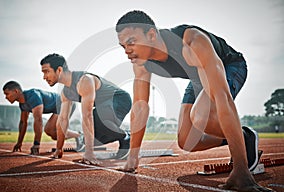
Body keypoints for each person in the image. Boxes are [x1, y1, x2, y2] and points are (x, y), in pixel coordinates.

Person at [115, 10, 272, 191]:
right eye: (123, 46)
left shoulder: (191, 42)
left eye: (131, 43)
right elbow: (140, 107)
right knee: (187, 141)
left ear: (151, 35)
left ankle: (242, 148)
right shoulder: (140, 63)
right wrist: (133, 155)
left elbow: (223, 98)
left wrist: (241, 170)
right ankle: (245, 137)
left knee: (201, 115)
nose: (127, 51)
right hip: (196, 76)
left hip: (229, 65)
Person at [40, 53, 132, 163]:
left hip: (120, 100)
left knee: (98, 122)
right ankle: (123, 136)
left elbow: (87, 116)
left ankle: (126, 136)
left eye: (46, 71)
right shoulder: (66, 93)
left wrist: (89, 152)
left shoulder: (84, 81)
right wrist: (59, 149)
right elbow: (63, 120)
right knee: (89, 140)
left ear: (59, 70)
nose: (44, 77)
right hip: (101, 107)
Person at [2, 81, 83, 155]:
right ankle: (79, 135)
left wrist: (36, 144)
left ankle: (79, 136)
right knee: (54, 134)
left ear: (16, 91)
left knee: (49, 130)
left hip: (65, 102)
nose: (6, 97)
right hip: (57, 107)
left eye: (7, 94)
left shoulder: (33, 96)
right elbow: (23, 123)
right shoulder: (22, 105)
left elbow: (38, 120)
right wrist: (19, 143)